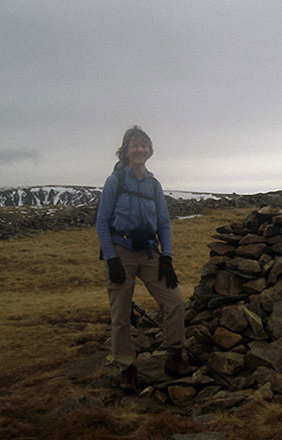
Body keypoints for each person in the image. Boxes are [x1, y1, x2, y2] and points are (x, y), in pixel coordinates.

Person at [96, 125, 191, 394]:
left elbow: (164, 223)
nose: (139, 150)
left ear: (150, 150)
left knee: (175, 302)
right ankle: (127, 367)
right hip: (120, 252)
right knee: (121, 314)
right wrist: (112, 259)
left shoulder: (154, 185)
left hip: (149, 252)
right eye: (134, 145)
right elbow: (102, 222)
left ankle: (175, 355)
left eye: (143, 145)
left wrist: (167, 257)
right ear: (125, 151)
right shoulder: (115, 181)